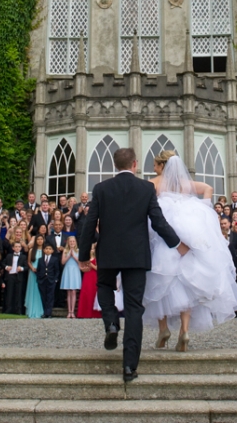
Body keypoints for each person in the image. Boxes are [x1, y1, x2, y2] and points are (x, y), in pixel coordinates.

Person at [78, 147, 185, 383]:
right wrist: (177, 243)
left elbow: (89, 224)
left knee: (104, 287)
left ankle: (112, 323)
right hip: (136, 255)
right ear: (135, 164)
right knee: (135, 308)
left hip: (108, 252)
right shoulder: (146, 188)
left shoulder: (101, 189)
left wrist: (84, 254)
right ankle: (129, 367)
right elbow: (158, 221)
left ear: (116, 165)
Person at [144, 152, 237, 352]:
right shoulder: (184, 183)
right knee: (186, 282)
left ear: (162, 165)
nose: (154, 168)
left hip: (165, 237)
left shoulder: (153, 183)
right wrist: (204, 209)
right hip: (187, 235)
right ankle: (184, 330)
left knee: (160, 281)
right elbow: (208, 188)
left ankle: (163, 329)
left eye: (155, 164)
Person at [36, 243, 61, 318]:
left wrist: (55, 279)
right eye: (46, 249)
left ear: (52, 251)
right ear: (44, 250)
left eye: (50, 249)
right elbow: (38, 269)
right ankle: (44, 312)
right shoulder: (40, 259)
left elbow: (57, 270)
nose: (48, 250)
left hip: (51, 280)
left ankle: (49, 313)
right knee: (43, 296)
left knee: (50, 296)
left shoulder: (55, 259)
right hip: (42, 280)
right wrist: (39, 278)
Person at [77, 243, 101, 319]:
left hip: (94, 276)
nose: (91, 250)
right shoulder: (85, 259)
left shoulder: (97, 258)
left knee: (93, 293)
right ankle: (84, 313)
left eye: (93, 249)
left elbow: (98, 268)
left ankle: (95, 313)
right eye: (90, 249)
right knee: (86, 293)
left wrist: (91, 265)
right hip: (87, 276)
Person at [3, 241, 28, 315]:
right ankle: (8, 309)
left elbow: (27, 267)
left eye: (19, 247)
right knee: (9, 293)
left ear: (21, 248)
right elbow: (3, 263)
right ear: (13, 248)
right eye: (16, 247)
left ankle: (18, 310)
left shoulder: (24, 257)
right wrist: (7, 267)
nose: (17, 248)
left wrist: (22, 268)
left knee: (19, 294)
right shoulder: (9, 256)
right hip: (10, 276)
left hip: (19, 276)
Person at [60, 235, 82, 318]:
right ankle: (69, 311)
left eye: (73, 241)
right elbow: (62, 262)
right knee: (69, 292)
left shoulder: (78, 250)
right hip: (68, 270)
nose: (72, 243)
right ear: (68, 243)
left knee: (73, 291)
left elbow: (80, 262)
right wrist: (69, 255)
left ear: (75, 242)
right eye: (70, 241)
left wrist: (74, 256)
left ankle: (73, 311)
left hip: (75, 270)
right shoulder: (65, 250)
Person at [24, 235, 45, 319]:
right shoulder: (32, 250)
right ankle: (31, 310)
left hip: (41, 273)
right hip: (33, 272)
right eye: (38, 239)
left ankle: (40, 311)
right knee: (33, 289)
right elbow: (29, 262)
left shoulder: (45, 250)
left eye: (41, 239)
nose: (40, 241)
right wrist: (32, 268)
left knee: (40, 291)